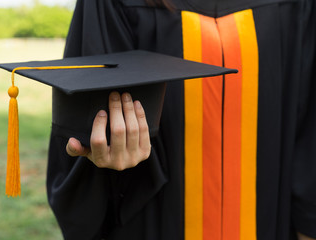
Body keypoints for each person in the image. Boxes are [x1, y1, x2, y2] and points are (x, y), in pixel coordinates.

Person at [46, 0, 316, 239]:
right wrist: (102, 153)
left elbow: (309, 131)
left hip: (268, 217)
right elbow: (89, 113)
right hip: (153, 217)